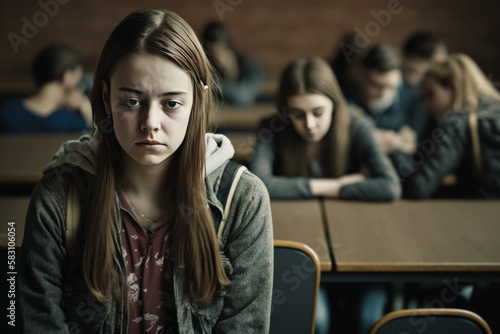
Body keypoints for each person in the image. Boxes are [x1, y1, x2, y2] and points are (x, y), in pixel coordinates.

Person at [18, 9, 273, 333]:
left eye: (171, 103)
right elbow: (36, 321)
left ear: (198, 99)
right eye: (132, 101)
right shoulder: (57, 197)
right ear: (106, 98)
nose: (150, 123)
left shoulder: (243, 200)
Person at [251, 57, 401, 202]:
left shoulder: (358, 124)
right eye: (297, 114)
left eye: (318, 113)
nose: (309, 124)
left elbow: (390, 186)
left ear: (334, 106)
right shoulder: (270, 127)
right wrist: (338, 185)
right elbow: (258, 186)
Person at [402, 53, 500, 199]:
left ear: (453, 86)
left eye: (430, 94)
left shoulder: (458, 123)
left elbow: (419, 187)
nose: (426, 105)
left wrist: (401, 152)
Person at [346, 44, 428, 154]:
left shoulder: (414, 99)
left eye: (391, 87)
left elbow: (412, 145)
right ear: (362, 75)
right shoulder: (347, 97)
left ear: (400, 78)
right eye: (375, 85)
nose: (383, 94)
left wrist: (367, 137)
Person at [0, 44, 93, 133]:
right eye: (79, 81)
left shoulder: (6, 112)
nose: (79, 88)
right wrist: (87, 112)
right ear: (67, 77)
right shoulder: (71, 122)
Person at [201, 22, 264, 106]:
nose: (217, 58)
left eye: (219, 52)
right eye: (212, 54)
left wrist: (228, 74)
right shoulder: (206, 67)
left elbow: (244, 97)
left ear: (229, 48)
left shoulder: (250, 66)